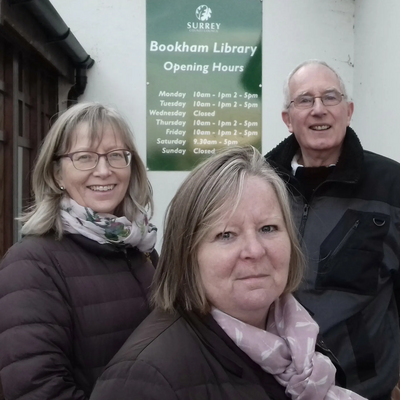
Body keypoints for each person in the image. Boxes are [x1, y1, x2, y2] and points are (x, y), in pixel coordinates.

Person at [90, 146, 365, 400]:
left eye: (268, 229)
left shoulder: (297, 333)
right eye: (226, 235)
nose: (255, 251)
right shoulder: (143, 380)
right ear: (187, 253)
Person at [0, 103, 158, 400]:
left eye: (115, 155)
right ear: (57, 174)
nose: (104, 170)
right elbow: (37, 390)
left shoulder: (140, 247)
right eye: (84, 157)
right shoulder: (31, 266)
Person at [265, 59, 400, 400]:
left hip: (362, 385)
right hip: (274, 381)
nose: (319, 109)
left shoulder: (392, 184)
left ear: (348, 110)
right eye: (305, 100)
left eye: (330, 97)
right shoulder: (261, 185)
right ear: (288, 119)